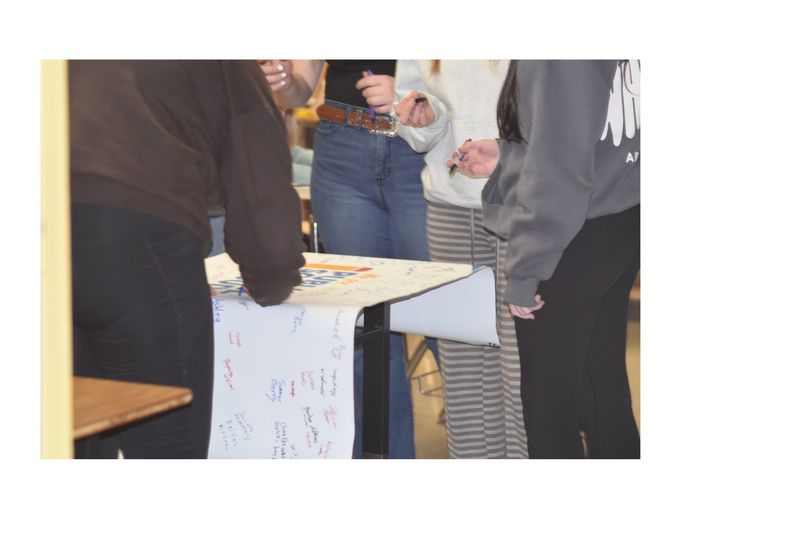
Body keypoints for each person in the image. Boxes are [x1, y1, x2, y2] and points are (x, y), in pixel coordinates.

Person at [69, 60, 306, 458]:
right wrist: (272, 280)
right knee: (167, 443)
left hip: (45, 226)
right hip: (136, 234)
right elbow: (260, 188)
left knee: (78, 434)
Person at [452, 60, 641, 459]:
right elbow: (592, 132)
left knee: (551, 415)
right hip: (618, 219)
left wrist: (526, 270)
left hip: (571, 237)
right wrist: (512, 154)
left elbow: (560, 167)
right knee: (603, 397)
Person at [261, 59, 432, 458]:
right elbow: (299, 89)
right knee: (362, 331)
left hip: (421, 145)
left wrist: (407, 88)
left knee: (448, 327)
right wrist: (283, 80)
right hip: (342, 150)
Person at [393, 60, 529, 458]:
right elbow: (415, 117)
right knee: (463, 368)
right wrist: (423, 115)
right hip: (449, 203)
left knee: (522, 364)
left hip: (523, 204)